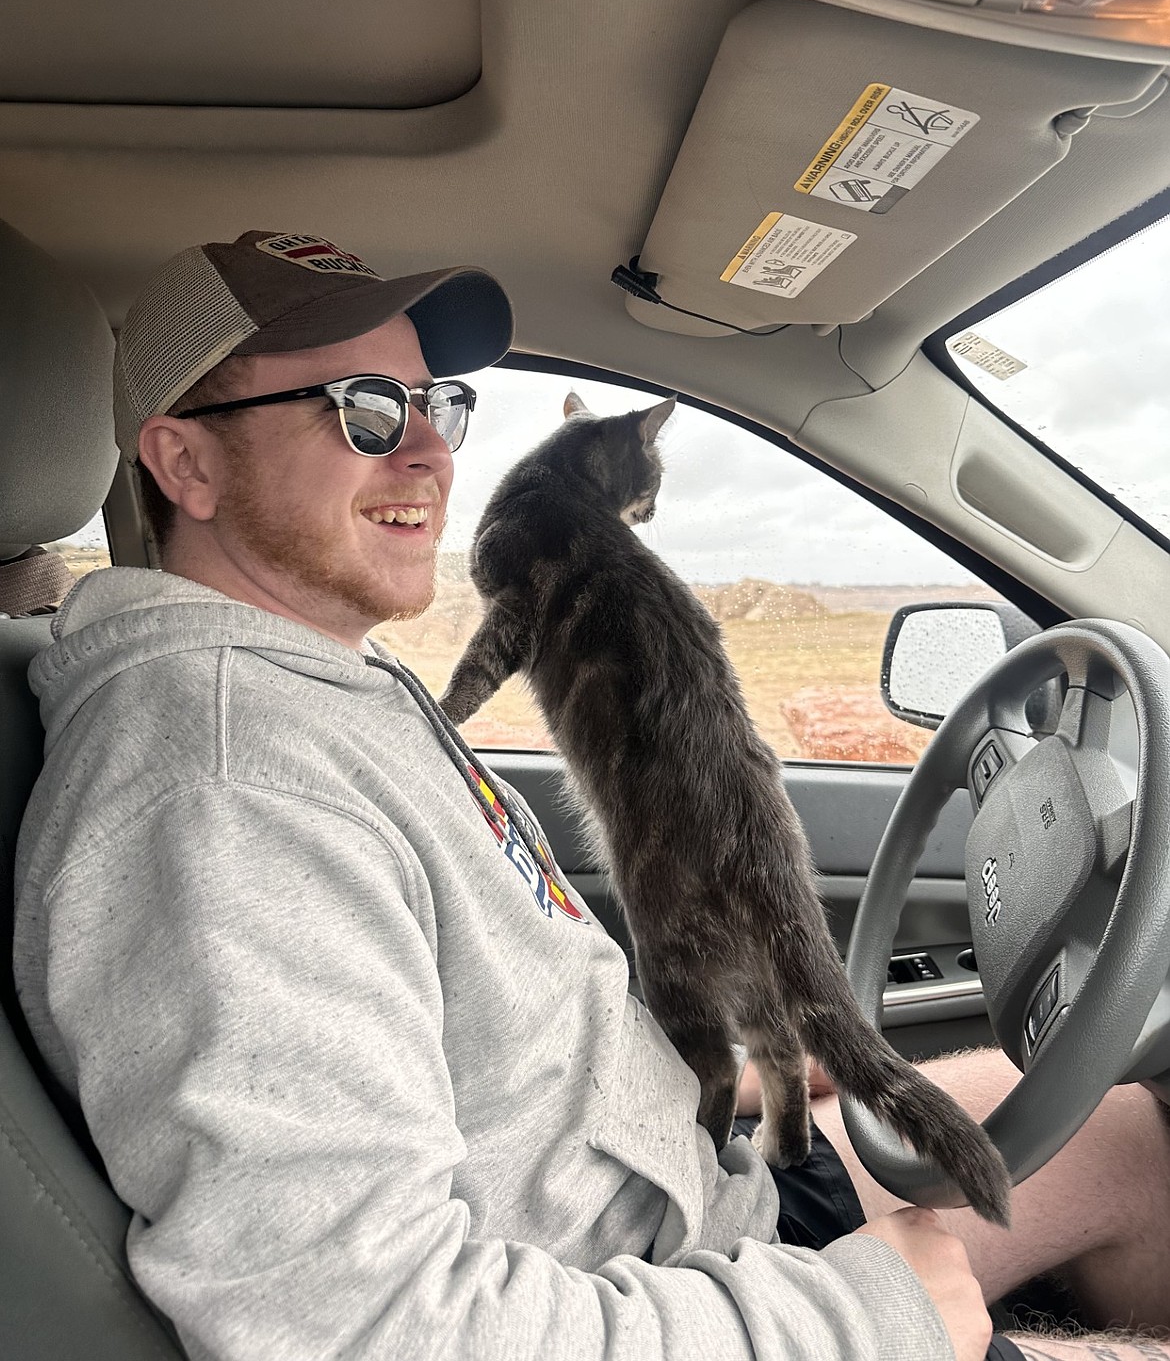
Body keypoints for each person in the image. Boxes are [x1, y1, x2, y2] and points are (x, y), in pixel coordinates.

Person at [12, 230, 1170, 1361]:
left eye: (439, 406)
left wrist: (710, 1065)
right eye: (365, 409)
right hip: (638, 1292)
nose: (429, 454)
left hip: (691, 1201)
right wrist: (865, 1324)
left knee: (1134, 1138)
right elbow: (343, 1318)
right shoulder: (226, 788)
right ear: (186, 464)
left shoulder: (319, 688)